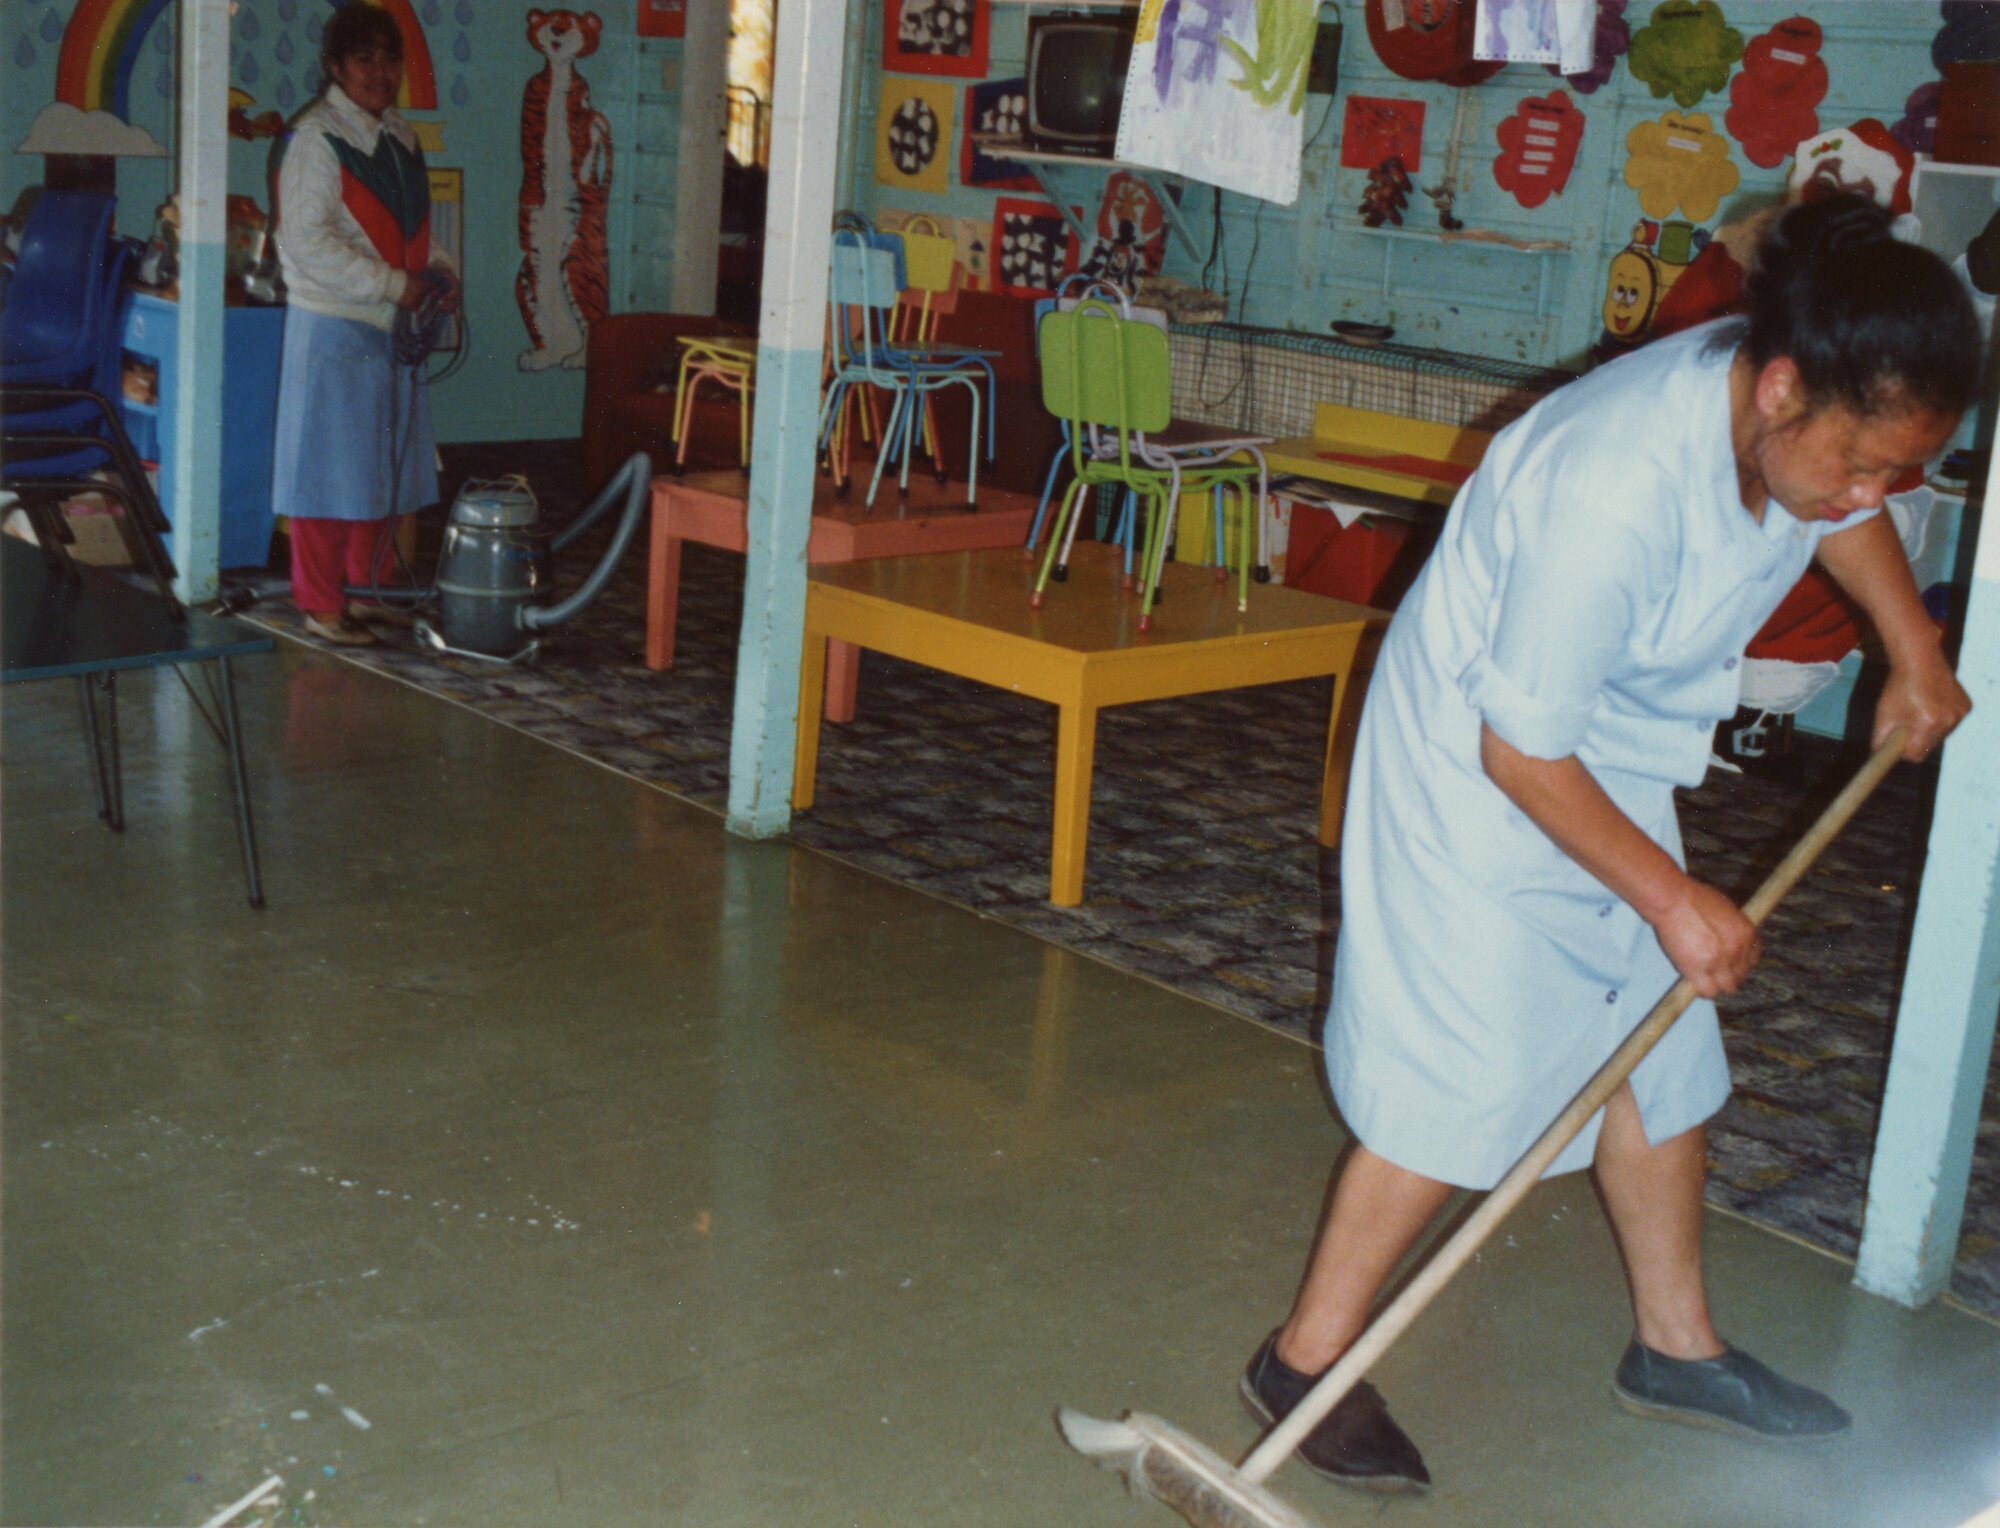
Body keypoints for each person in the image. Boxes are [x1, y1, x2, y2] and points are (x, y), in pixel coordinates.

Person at [1243, 195, 1980, 1494]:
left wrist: (1912, 648)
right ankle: (1303, 1361)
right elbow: (1518, 750)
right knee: (1472, 1072)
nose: (1873, 497)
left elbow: (1835, 507)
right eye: (1863, 460)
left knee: (1660, 1047)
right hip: (1480, 750)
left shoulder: (1793, 425)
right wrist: (1678, 899)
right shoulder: (1616, 482)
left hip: (1604, 742)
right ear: (1781, 389)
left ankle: (1676, 1348)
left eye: (1898, 473)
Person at [270, 4, 457, 646]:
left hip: (395, 326)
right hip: (335, 327)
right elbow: (306, 240)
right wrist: (392, 284)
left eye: (388, 58)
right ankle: (321, 606)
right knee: (328, 475)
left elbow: (414, 229)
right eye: (363, 59)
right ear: (335, 66)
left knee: (385, 469)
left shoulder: (401, 136)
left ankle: (367, 589)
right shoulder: (315, 138)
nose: (379, 72)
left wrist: (437, 270)